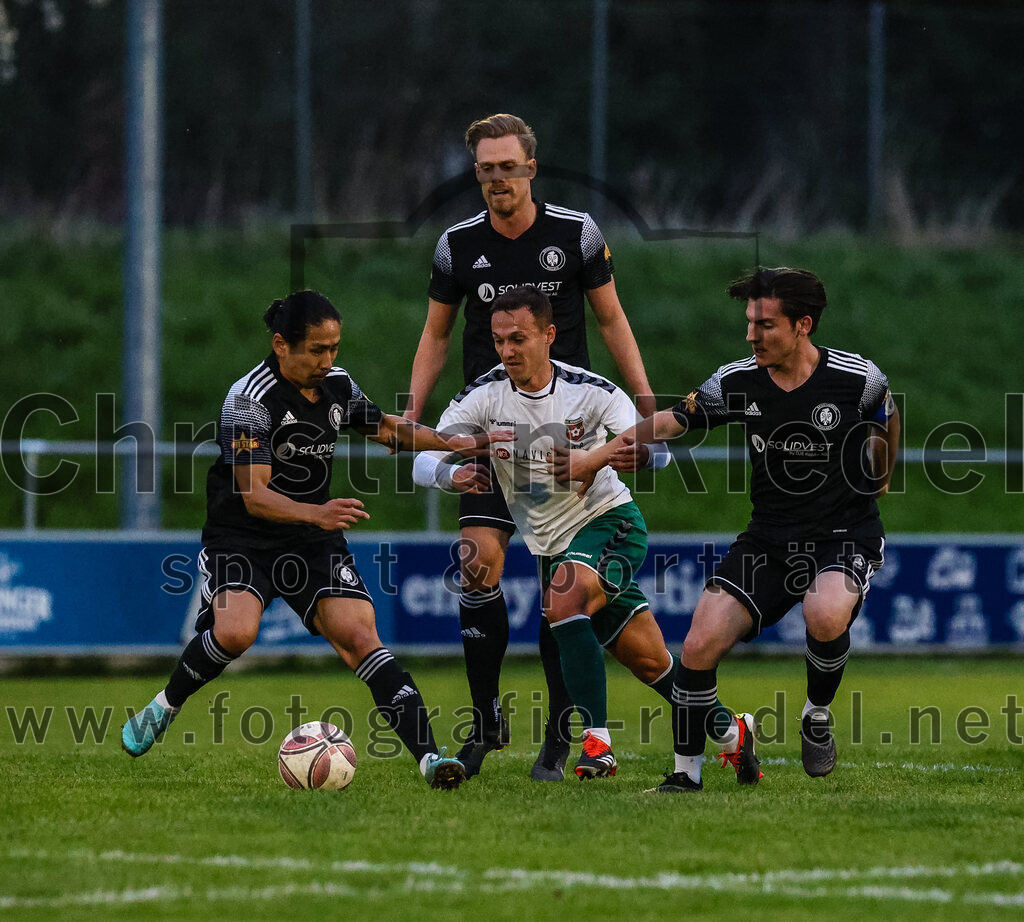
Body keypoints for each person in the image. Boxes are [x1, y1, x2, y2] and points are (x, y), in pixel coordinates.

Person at [122, 291, 511, 790]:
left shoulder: (336, 385)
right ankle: (165, 704)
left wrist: (452, 442)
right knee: (236, 633)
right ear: (281, 345)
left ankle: (431, 760)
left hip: (311, 541)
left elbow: (387, 429)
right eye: (316, 350)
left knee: (360, 637)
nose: (328, 362)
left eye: (334, 349)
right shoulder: (247, 401)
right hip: (242, 538)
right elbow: (255, 495)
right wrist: (320, 511)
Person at [556, 267, 900, 791]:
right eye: (748, 323)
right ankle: (684, 777)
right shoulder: (738, 381)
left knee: (825, 611)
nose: (751, 336)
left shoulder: (857, 378)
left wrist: (883, 472)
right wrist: (596, 457)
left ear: (803, 325)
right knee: (696, 647)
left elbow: (887, 411)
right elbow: (672, 420)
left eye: (765, 326)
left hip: (843, 536)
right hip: (768, 539)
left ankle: (816, 715)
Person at [414, 286, 759, 783]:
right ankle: (732, 733)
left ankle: (597, 744)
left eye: (519, 339)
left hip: (612, 524)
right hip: (556, 550)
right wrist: (451, 474)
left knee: (561, 600)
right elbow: (422, 458)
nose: (508, 351)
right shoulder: (483, 396)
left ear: (549, 335)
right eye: (498, 340)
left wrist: (635, 456)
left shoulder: (591, 392)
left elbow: (654, 447)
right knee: (651, 663)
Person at [403, 113, 657, 780]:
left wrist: (644, 397)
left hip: (567, 434)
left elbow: (610, 317)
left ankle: (560, 734)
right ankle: (486, 722)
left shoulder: (575, 234)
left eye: (507, 168)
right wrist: (413, 410)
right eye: (485, 170)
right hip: (493, 431)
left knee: (560, 585)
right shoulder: (457, 245)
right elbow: (435, 336)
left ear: (530, 168)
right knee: (477, 562)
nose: (496, 181)